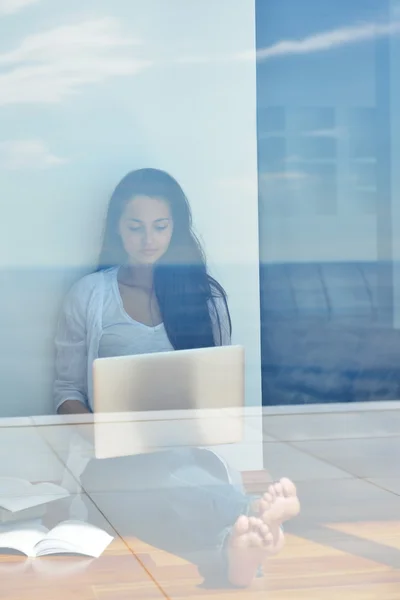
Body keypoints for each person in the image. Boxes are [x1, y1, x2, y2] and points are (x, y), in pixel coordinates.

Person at [54, 168, 300, 588]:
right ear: (118, 229)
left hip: (189, 457)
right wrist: (98, 432)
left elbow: (220, 391)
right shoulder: (89, 296)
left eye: (160, 227)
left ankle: (233, 551)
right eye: (136, 227)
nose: (148, 239)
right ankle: (249, 518)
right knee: (153, 480)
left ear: (176, 229)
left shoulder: (204, 296)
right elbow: (65, 394)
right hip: (111, 464)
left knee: (172, 478)